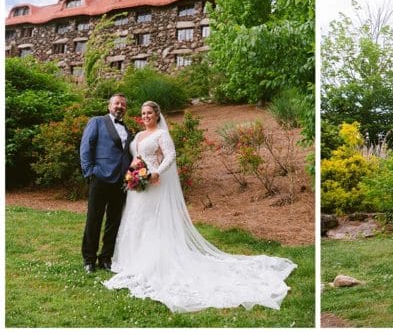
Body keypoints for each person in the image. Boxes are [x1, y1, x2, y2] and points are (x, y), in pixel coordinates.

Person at [103, 101, 297, 313]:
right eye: (143, 113)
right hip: (136, 184)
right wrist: (133, 174)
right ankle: (135, 260)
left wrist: (157, 171)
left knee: (153, 221)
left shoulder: (161, 134)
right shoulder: (138, 135)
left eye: (149, 113)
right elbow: (134, 157)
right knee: (136, 219)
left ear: (157, 115)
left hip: (153, 182)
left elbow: (170, 156)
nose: (146, 116)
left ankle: (156, 261)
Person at [80, 93, 133, 274]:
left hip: (121, 181)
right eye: (117, 103)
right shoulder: (97, 122)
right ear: (109, 106)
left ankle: (106, 258)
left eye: (123, 104)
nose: (120, 106)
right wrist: (90, 172)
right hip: (100, 178)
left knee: (114, 221)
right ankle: (89, 259)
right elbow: (86, 147)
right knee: (94, 219)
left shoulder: (128, 130)